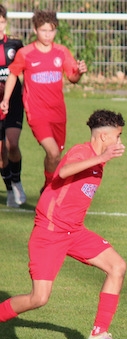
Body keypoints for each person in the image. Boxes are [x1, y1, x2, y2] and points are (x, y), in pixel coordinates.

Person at [0, 110, 127, 339]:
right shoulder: (82, 152)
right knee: (39, 298)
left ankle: (99, 334)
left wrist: (103, 158)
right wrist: (103, 157)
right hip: (49, 233)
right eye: (118, 136)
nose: (120, 141)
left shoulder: (98, 161)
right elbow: (63, 171)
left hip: (74, 232)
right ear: (104, 137)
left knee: (117, 267)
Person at [0, 10, 86, 193]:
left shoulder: (61, 52)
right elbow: (13, 74)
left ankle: (47, 187)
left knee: (55, 157)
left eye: (51, 30)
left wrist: (79, 72)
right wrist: (6, 99)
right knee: (53, 152)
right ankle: (49, 191)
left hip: (58, 112)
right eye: (43, 30)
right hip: (37, 112)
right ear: (35, 30)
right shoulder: (26, 53)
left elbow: (72, 77)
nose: (48, 35)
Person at [0, 4, 26, 207]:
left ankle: (17, 182)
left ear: (5, 22)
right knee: (0, 154)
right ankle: (9, 190)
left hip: (14, 102)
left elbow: (27, 68)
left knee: (12, 144)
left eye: (1, 22)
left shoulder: (16, 45)